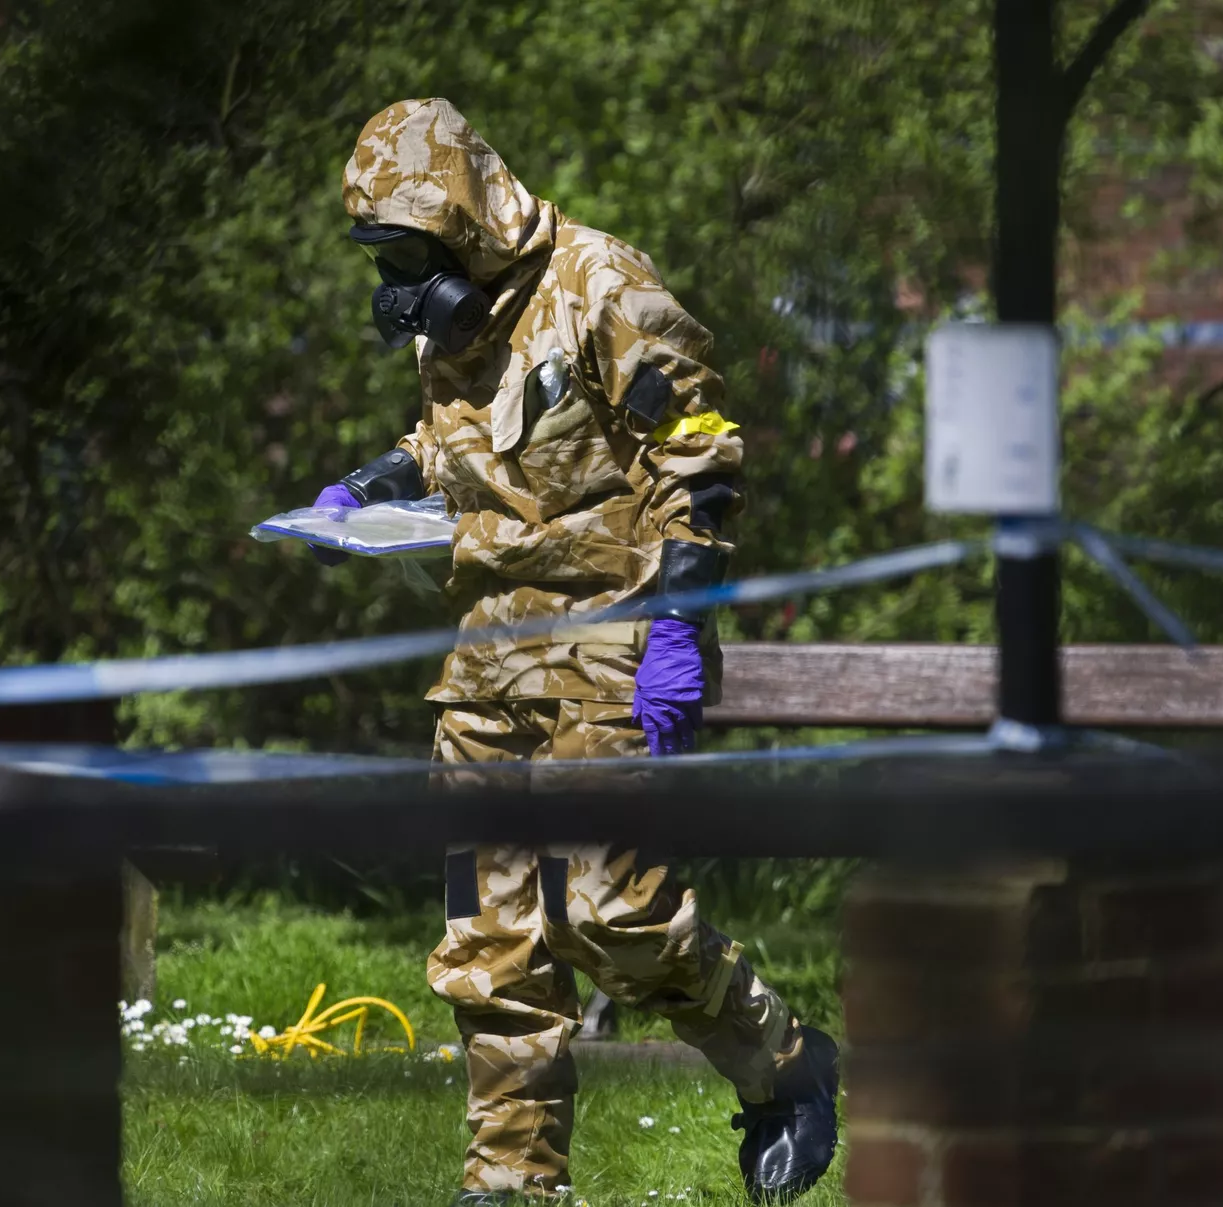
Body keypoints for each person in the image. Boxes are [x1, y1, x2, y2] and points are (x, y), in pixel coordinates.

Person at [307, 98, 838, 1205]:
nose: (398, 277)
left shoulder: (604, 283)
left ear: (463, 217)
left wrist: (680, 627)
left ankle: (788, 1065)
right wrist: (368, 486)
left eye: (408, 249)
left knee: (612, 913)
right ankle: (510, 1182)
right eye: (382, 255)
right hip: (485, 662)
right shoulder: (451, 324)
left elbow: (699, 454)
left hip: (612, 646)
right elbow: (447, 442)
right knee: (490, 947)